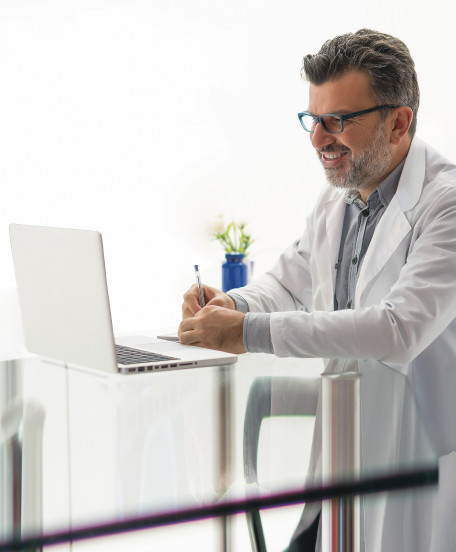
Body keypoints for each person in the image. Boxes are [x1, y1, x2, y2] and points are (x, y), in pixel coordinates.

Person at [180, 29, 456, 551]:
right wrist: (232, 304)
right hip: (347, 446)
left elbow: (399, 329)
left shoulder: (446, 205)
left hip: (421, 452)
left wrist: (249, 331)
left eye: (338, 121)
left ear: (399, 122)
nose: (317, 139)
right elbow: (289, 279)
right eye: (313, 120)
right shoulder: (341, 199)